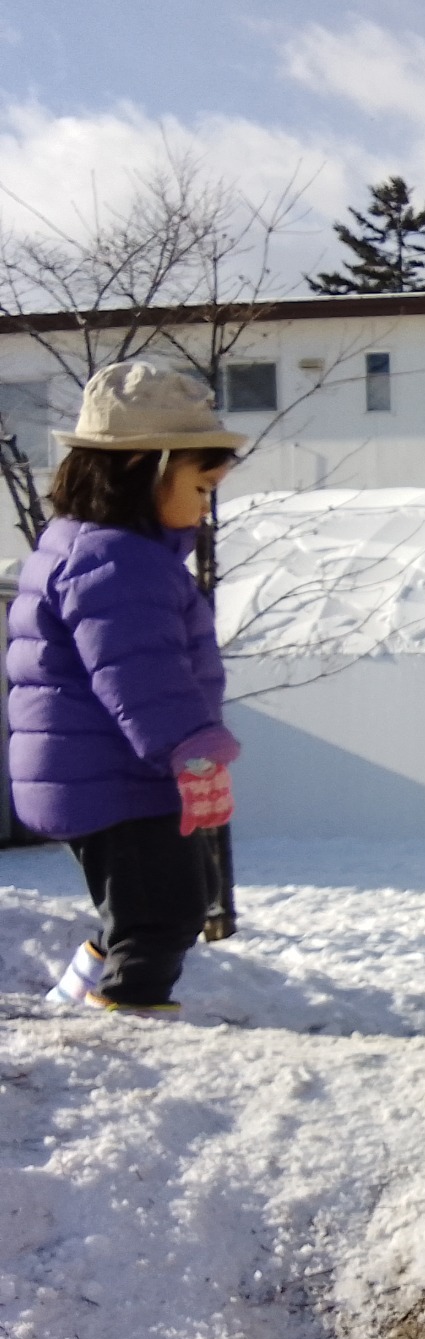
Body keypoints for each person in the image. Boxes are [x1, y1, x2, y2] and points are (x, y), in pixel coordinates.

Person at [9, 360, 245, 1016]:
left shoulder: (94, 547)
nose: (204, 509)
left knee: (164, 901)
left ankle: (75, 1000)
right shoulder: (117, 561)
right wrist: (194, 749)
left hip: (108, 768)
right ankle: (127, 1026)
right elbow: (140, 673)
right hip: (113, 774)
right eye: (200, 489)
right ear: (148, 468)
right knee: (163, 915)